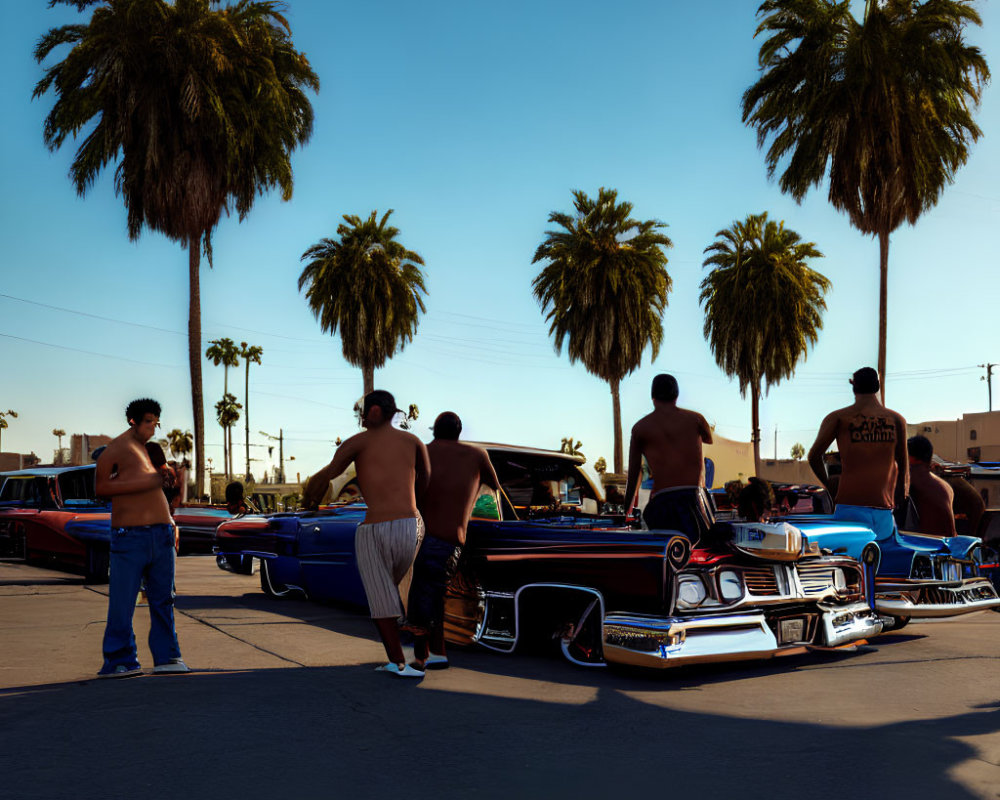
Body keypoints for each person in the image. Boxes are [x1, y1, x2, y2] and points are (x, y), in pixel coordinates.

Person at [303, 390, 431, 678]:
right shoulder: (414, 442)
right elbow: (426, 483)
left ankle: (398, 663)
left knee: (380, 596)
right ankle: (421, 658)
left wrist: (310, 499)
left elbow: (327, 475)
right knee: (411, 594)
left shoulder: (356, 443)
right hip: (412, 526)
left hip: (375, 528)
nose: (360, 416)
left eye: (363, 410)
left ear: (374, 412)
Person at [95, 398, 189, 678]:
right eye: (149, 422)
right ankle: (119, 660)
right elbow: (101, 487)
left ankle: (167, 657)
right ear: (133, 421)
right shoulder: (115, 450)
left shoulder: (151, 450)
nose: (154, 427)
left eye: (156, 422)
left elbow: (162, 488)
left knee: (164, 599)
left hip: (161, 534)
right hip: (129, 536)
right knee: (123, 601)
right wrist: (149, 481)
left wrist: (171, 521)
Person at [404, 412, 499, 671]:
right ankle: (434, 654)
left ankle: (425, 657)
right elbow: (495, 487)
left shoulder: (420, 452)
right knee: (432, 596)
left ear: (434, 430)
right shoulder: (478, 455)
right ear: (459, 432)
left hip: (419, 537)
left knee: (422, 598)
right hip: (452, 539)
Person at [808, 367, 908, 541]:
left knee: (849, 565)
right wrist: (900, 495)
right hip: (883, 509)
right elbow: (904, 470)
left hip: (849, 506)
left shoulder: (839, 418)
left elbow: (814, 456)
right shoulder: (896, 420)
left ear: (853, 387)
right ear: (877, 386)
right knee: (880, 564)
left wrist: (829, 486)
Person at [623, 374, 715, 542]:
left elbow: (634, 472)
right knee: (700, 555)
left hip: (662, 502)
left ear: (653, 397)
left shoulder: (640, 428)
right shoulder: (696, 419)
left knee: (667, 554)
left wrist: (626, 510)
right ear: (676, 395)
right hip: (694, 500)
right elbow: (709, 438)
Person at [906, 435, 956, 536]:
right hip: (949, 543)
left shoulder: (912, 476)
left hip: (928, 544)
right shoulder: (944, 485)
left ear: (910, 457)